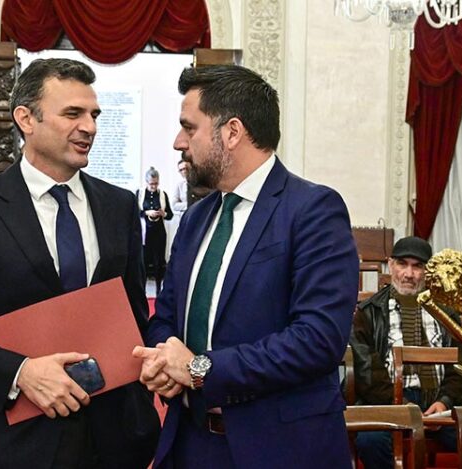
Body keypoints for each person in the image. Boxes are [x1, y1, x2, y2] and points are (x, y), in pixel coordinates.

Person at [0, 58, 160, 468]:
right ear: (26, 118)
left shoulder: (119, 205)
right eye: (73, 113)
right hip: (15, 445)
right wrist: (19, 373)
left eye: (94, 114)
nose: (90, 127)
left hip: (114, 440)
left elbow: (132, 314)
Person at [134, 65, 359, 469]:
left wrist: (198, 369)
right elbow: (165, 316)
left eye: (190, 127)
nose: (178, 142)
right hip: (190, 443)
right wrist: (165, 363)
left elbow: (317, 340)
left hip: (279, 449)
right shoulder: (195, 219)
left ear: (231, 132)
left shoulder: (312, 211)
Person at [349, 236, 462, 468]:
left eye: (418, 266)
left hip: (437, 404)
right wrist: (400, 405)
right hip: (389, 402)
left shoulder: (446, 314)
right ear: (391, 265)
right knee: (370, 441)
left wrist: (444, 402)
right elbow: (367, 372)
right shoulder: (368, 312)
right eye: (403, 264)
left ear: (428, 271)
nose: (409, 274)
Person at [140, 166, 173, 294]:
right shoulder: (141, 194)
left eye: (156, 183)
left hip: (159, 231)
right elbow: (136, 212)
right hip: (145, 232)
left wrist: (162, 213)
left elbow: (170, 215)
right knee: (143, 261)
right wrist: (147, 212)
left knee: (159, 262)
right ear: (147, 182)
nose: (154, 186)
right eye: (151, 184)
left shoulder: (163, 194)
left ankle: (159, 289)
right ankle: (142, 290)